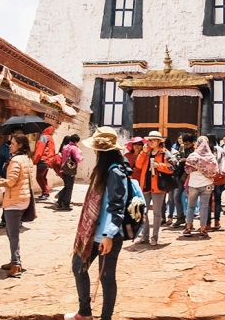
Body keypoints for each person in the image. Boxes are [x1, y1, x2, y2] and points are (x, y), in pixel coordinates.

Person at [66, 127, 128, 320]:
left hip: (108, 236)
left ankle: (106, 317)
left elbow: (117, 206)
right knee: (78, 266)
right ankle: (84, 312)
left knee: (107, 278)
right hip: (94, 233)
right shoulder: (104, 170)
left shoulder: (115, 172)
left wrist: (109, 235)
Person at [0, 134, 35, 278]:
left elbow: (12, 181)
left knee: (13, 234)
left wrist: (0, 182)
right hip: (23, 198)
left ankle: (16, 263)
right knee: (12, 233)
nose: (10, 146)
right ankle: (14, 260)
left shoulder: (16, 160)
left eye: (12, 143)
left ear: (19, 145)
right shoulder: (26, 159)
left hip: (14, 200)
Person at [135, 130, 173, 245]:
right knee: (144, 212)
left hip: (158, 187)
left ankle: (154, 237)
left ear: (158, 141)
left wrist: (159, 166)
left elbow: (171, 168)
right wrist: (143, 152)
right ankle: (145, 236)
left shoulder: (165, 153)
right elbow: (138, 165)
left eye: (152, 140)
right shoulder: (146, 153)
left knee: (157, 213)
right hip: (146, 186)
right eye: (149, 140)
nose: (150, 142)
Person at [183, 136, 218, 237]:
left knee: (190, 206)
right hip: (207, 184)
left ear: (198, 144)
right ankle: (203, 229)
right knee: (204, 207)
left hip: (193, 184)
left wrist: (196, 168)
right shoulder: (211, 157)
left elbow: (187, 170)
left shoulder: (193, 156)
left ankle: (188, 228)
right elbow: (215, 171)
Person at [172, 133, 196, 228]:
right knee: (176, 197)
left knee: (190, 200)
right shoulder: (181, 148)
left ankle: (190, 221)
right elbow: (177, 156)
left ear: (192, 143)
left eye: (187, 144)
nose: (185, 146)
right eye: (184, 144)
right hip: (181, 176)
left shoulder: (196, 149)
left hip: (191, 178)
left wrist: (186, 160)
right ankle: (180, 216)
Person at [56, 134, 83, 210]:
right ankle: (66, 204)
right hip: (70, 170)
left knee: (66, 186)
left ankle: (60, 201)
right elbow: (78, 159)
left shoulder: (65, 147)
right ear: (76, 141)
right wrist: (82, 158)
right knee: (69, 188)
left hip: (64, 169)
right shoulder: (74, 148)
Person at [32, 125, 56, 201]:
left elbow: (40, 150)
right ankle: (45, 192)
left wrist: (35, 160)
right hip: (48, 160)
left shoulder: (43, 137)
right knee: (43, 177)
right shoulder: (51, 138)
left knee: (39, 177)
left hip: (42, 160)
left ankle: (45, 193)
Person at [0, 134, 12, 228]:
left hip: (18, 178)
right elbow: (0, 162)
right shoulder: (5, 148)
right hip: (6, 176)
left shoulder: (24, 149)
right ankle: (4, 219)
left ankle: (18, 219)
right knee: (6, 198)